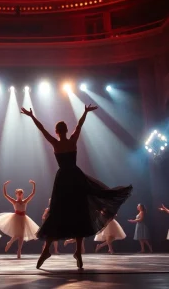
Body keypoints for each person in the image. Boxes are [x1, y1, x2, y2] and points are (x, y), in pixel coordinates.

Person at [21, 104, 132, 269]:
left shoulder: (56, 144)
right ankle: (78, 252)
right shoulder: (72, 140)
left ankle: (46, 250)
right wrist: (85, 112)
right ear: (66, 130)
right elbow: (79, 126)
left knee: (57, 214)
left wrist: (31, 116)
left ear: (57, 132)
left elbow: (42, 129)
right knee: (79, 214)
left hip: (63, 180)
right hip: (76, 178)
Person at [0, 180, 39, 259]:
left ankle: (19, 251)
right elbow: (5, 195)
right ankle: (10, 242)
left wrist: (34, 184)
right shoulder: (14, 201)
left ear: (22, 194)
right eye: (18, 193)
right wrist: (4, 185)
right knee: (17, 234)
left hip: (23, 218)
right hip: (16, 218)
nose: (20, 194)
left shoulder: (25, 201)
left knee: (21, 236)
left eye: (21, 193)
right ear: (16, 194)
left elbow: (33, 194)